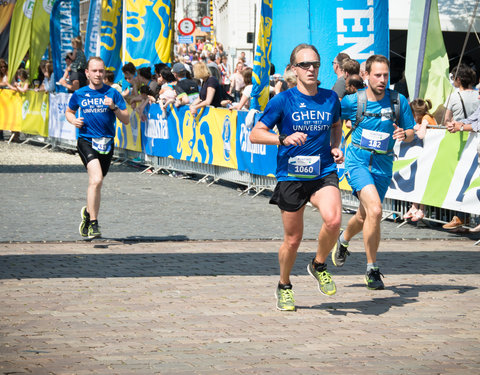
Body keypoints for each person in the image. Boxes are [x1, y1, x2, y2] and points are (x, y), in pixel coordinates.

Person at [249, 43, 344, 311]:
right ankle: (284, 285)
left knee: (334, 219)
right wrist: (283, 138)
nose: (311, 69)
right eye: (305, 65)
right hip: (291, 174)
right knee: (293, 239)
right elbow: (256, 134)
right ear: (293, 69)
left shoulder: (330, 98)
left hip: (323, 170)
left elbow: (336, 126)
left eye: (315, 64)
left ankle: (319, 264)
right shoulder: (282, 100)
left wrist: (336, 147)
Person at [332, 54, 415, 290]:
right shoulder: (352, 101)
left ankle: (343, 239)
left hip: (383, 165)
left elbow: (411, 131)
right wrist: (332, 146)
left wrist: (403, 135)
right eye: (377, 75)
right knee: (376, 210)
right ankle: (372, 269)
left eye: (386, 75)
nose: (382, 80)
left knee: (365, 215)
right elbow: (331, 118)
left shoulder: (398, 101)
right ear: (366, 75)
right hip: (357, 162)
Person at [65, 57, 129, 239]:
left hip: (106, 143)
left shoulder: (112, 94)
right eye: (94, 71)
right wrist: (73, 120)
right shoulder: (80, 93)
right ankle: (94, 223)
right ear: (87, 72)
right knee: (96, 179)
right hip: (86, 141)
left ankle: (88, 212)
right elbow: (69, 111)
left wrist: (114, 107)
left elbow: (126, 119)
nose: (98, 74)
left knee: (97, 183)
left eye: (101, 71)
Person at [443, 64, 480, 229]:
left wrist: (455, 125)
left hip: (460, 142)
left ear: (458, 79)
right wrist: (460, 124)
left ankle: (460, 216)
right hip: (471, 139)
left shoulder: (454, 96)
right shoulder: (477, 95)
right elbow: (474, 118)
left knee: (462, 179)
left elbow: (446, 119)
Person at [403, 98, 437, 222]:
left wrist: (417, 128)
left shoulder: (426, 119)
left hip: (431, 154)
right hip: (427, 154)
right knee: (418, 180)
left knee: (422, 181)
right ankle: (414, 206)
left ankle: (421, 209)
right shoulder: (428, 117)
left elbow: (422, 134)